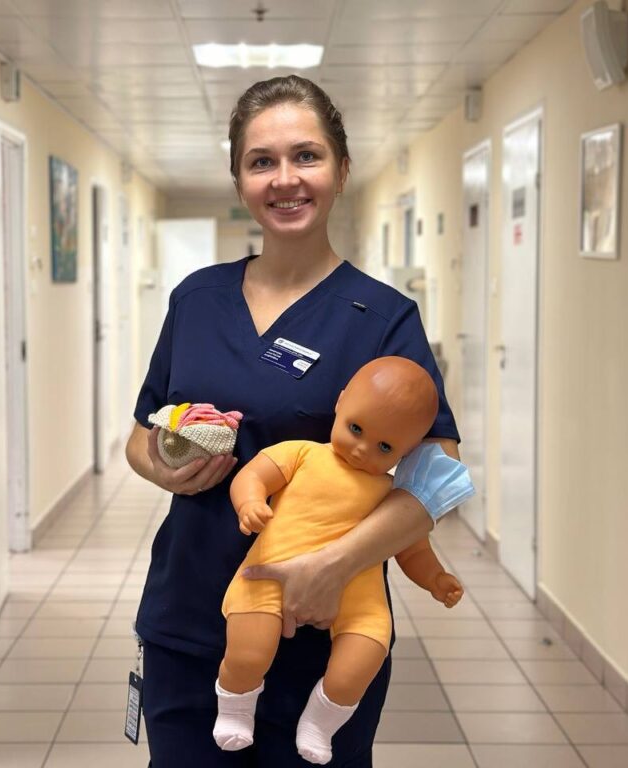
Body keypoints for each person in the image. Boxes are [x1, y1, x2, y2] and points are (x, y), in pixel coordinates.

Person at [125, 75, 462, 768]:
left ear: (342, 168)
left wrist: (334, 565)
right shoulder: (197, 299)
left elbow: (439, 475)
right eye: (262, 161)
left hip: (325, 630)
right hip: (189, 614)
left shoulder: (381, 316)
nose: (285, 179)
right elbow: (140, 433)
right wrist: (165, 468)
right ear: (239, 178)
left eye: (306, 155)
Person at [216, 357, 463, 765]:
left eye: (385, 448)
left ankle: (320, 722)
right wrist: (250, 503)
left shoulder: (393, 495)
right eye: (356, 429)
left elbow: (413, 548)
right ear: (341, 401)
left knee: (364, 656)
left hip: (358, 592)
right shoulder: (302, 454)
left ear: (409, 449)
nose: (362, 450)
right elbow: (252, 475)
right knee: (248, 653)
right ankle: (235, 706)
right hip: (270, 571)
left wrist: (435, 578)